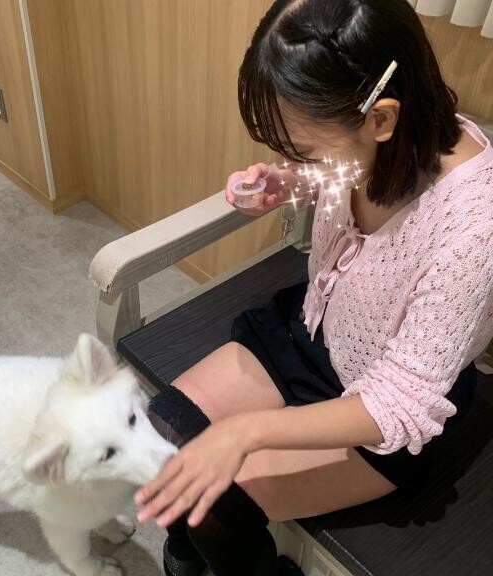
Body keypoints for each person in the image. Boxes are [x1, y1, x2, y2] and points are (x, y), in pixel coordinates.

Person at [134, 1, 493, 574]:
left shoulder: (474, 225)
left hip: (383, 408)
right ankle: (190, 550)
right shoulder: (382, 136)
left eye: (301, 151)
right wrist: (286, 183)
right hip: (315, 329)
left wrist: (245, 433)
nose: (289, 159)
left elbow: (399, 402)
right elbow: (345, 169)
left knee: (214, 500)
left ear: (381, 120)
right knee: (162, 433)